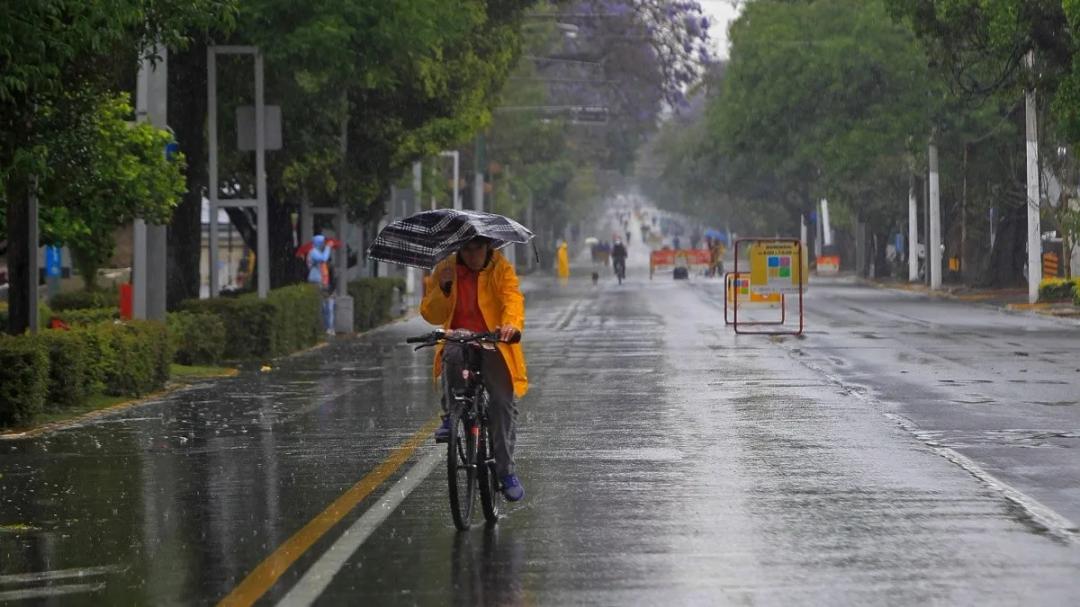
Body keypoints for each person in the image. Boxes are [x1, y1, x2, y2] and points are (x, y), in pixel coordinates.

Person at [421, 236, 528, 501]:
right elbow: (431, 314)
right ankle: (451, 414)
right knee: (451, 352)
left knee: (502, 404)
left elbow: (512, 298)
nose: (472, 255)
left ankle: (505, 472)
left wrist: (510, 325)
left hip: (493, 340)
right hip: (459, 337)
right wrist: (443, 288)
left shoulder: (500, 268)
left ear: (488, 247)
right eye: (465, 249)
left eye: (477, 248)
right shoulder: (446, 268)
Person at [306, 234, 335, 336]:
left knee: (327, 306)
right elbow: (323, 259)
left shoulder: (317, 251)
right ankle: (321, 328)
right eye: (323, 242)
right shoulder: (313, 252)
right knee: (321, 305)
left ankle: (328, 327)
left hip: (323, 281)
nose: (324, 244)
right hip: (316, 281)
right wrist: (328, 247)